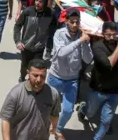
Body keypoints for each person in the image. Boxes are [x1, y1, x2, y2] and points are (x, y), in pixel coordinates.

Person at [77, 21, 118, 140]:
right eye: (108, 35)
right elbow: (109, 63)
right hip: (98, 90)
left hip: (115, 91)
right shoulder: (97, 46)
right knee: (90, 113)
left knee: (106, 121)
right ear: (103, 34)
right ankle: (83, 108)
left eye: (114, 35)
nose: (111, 38)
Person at [47, 9, 93, 140]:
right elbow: (61, 53)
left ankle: (58, 129)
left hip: (72, 79)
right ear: (66, 21)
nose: (74, 24)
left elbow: (88, 59)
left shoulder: (82, 36)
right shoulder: (59, 34)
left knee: (68, 110)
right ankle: (47, 125)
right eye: (72, 22)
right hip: (55, 76)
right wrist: (79, 41)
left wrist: (84, 43)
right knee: (49, 105)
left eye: (77, 22)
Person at [0, 58, 61, 140]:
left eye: (42, 76)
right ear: (28, 73)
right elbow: (5, 119)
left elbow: (54, 114)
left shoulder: (53, 94)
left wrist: (54, 126)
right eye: (35, 75)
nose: (39, 80)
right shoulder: (16, 94)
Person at [14, 0, 56, 82]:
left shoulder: (50, 14)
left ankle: (31, 83)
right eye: (36, 0)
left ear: (45, 3)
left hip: (39, 47)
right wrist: (18, 41)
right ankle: (22, 77)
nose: (37, 3)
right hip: (26, 46)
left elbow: (55, 26)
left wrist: (48, 38)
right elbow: (17, 26)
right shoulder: (28, 12)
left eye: (40, 1)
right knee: (25, 65)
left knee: (36, 68)